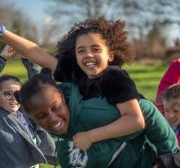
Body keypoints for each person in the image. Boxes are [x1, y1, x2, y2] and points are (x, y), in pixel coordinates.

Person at [0, 19, 146, 151]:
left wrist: (90, 136)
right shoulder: (77, 73)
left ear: (111, 55)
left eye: (95, 49)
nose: (88, 54)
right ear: (75, 56)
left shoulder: (115, 78)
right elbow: (36, 53)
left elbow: (136, 120)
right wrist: (3, 32)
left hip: (136, 149)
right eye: (81, 51)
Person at [18, 74, 180, 168]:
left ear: (61, 96)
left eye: (55, 107)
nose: (52, 119)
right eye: (41, 116)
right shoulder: (64, 152)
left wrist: (169, 158)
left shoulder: (93, 112)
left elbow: (145, 110)